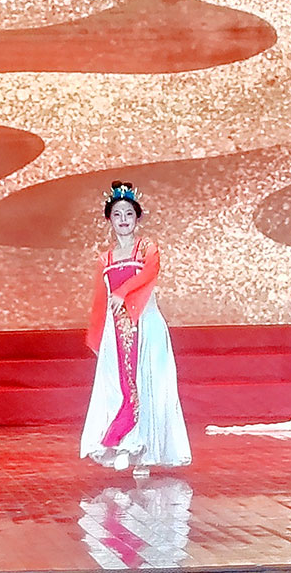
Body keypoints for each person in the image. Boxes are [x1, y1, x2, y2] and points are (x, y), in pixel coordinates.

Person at [80, 181, 191, 477]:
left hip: (147, 326)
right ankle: (126, 442)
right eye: (117, 214)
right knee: (121, 385)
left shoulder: (147, 249)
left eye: (129, 214)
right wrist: (97, 334)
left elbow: (150, 273)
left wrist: (123, 292)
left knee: (150, 385)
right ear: (109, 219)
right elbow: (100, 298)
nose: (123, 220)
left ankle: (146, 452)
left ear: (137, 218)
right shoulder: (105, 259)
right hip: (117, 330)